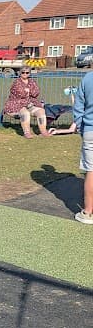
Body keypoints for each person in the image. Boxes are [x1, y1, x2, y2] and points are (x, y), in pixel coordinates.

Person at [2, 67, 49, 138]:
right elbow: (21, 94)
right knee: (25, 113)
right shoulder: (16, 82)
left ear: (29, 73)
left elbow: (36, 93)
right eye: (23, 72)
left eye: (27, 72)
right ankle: (27, 133)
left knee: (41, 111)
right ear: (20, 73)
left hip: (30, 104)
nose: (25, 74)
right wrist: (29, 92)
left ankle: (43, 132)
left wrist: (28, 91)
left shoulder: (32, 81)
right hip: (16, 104)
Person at [72, 70, 93, 224]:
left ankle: (87, 212)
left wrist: (80, 125)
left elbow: (79, 106)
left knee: (91, 171)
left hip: (90, 129)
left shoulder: (88, 78)